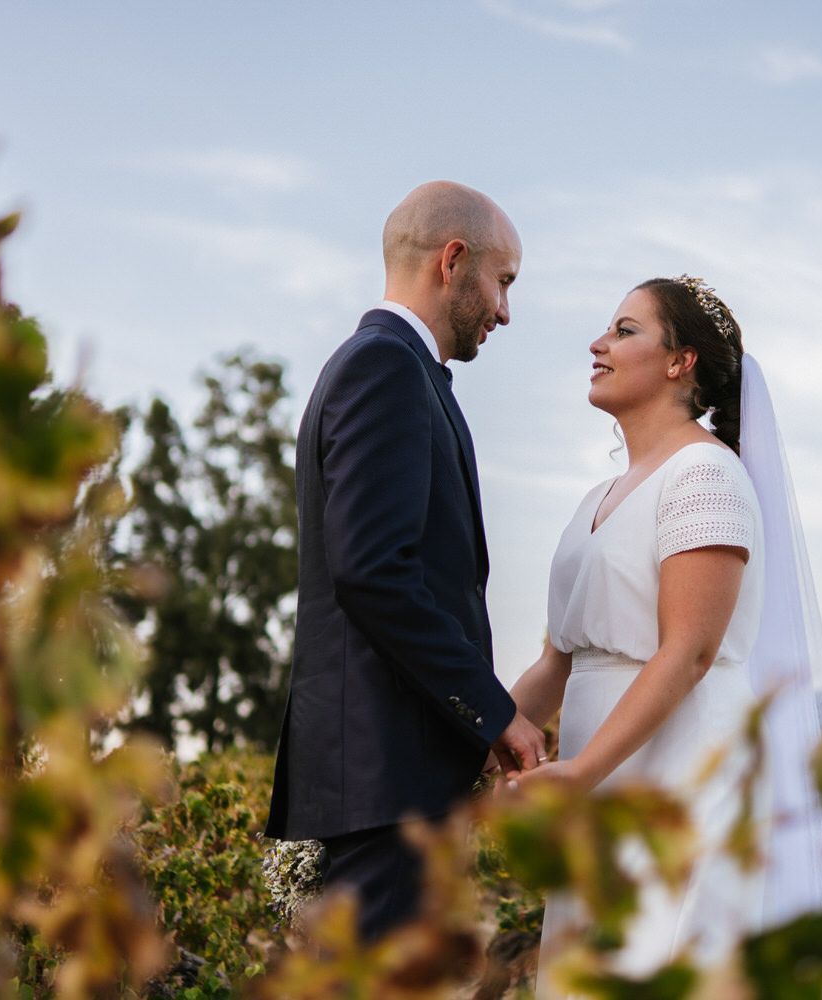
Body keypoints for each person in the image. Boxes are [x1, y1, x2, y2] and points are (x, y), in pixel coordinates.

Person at [508, 276, 822, 998]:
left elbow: (689, 652)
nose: (598, 343)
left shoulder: (707, 475)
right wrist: (481, 732)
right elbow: (558, 659)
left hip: (680, 776)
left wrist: (580, 774)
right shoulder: (597, 498)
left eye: (624, 330)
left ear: (681, 363)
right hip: (600, 777)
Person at [264, 181, 547, 943]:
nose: (504, 311)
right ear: (453, 260)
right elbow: (373, 571)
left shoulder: (391, 369)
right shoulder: (384, 368)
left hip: (386, 775)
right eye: (504, 281)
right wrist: (491, 709)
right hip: (385, 774)